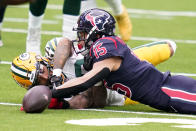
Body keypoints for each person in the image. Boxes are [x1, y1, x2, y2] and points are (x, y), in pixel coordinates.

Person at [50, 8, 196, 114]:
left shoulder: (104, 45)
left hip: (169, 91)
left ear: (95, 32)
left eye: (83, 33)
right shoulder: (102, 47)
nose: (80, 37)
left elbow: (85, 80)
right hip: (166, 95)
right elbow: (98, 98)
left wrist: (53, 92)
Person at [11, 36, 176, 109]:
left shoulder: (53, 52)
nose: (44, 76)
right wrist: (63, 103)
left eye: (41, 70)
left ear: (42, 60)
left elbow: (65, 42)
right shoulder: (54, 95)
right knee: (169, 90)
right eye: (37, 81)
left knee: (169, 47)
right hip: (123, 91)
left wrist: (57, 70)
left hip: (121, 62)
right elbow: (95, 101)